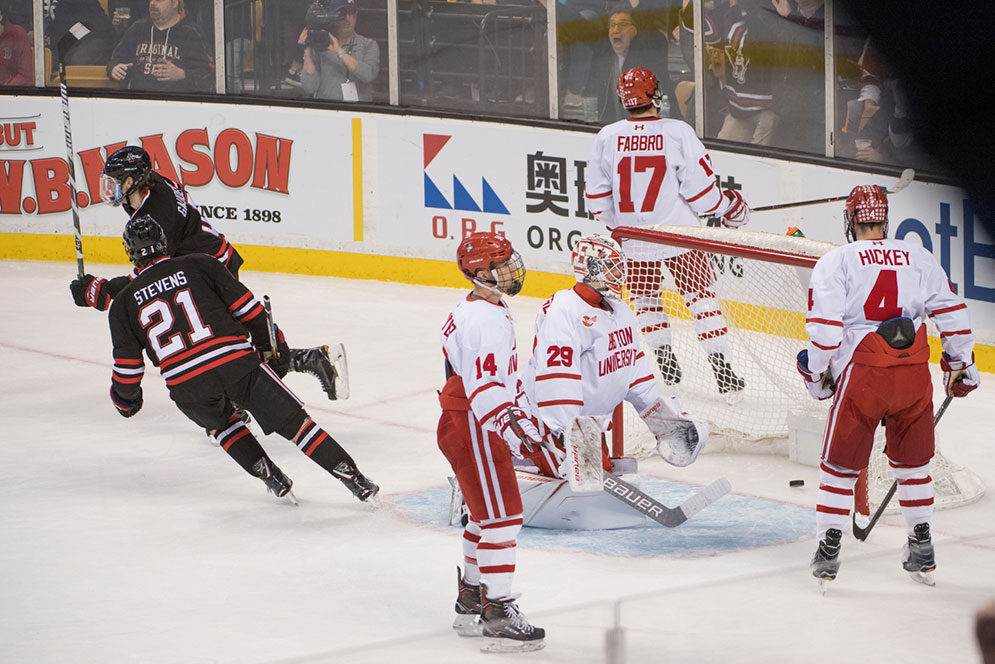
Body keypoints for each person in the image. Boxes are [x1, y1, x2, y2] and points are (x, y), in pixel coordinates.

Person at [106, 215, 379, 502]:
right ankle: (356, 481)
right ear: (163, 242)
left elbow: (127, 370)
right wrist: (271, 349)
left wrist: (125, 400)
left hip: (187, 385)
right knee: (298, 427)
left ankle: (271, 476)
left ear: (130, 252)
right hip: (236, 363)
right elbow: (249, 311)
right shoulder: (200, 264)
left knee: (223, 425)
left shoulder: (123, 302)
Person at [799, 184, 980, 587]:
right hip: (913, 373)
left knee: (840, 465)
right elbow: (951, 312)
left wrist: (815, 375)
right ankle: (922, 545)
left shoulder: (837, 260)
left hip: (865, 375)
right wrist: (962, 365)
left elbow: (826, 335)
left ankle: (828, 550)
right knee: (914, 465)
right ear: (885, 221)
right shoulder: (918, 254)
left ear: (850, 221)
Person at [69, 146, 347, 401]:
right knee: (230, 338)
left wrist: (98, 292)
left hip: (207, 271)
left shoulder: (155, 215)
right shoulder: (151, 189)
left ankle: (269, 385)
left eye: (118, 181)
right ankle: (310, 360)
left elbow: (143, 285)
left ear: (134, 181)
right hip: (207, 263)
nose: (111, 188)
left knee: (221, 343)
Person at [584, 66, 751, 395]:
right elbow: (703, 197)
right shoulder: (677, 132)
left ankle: (665, 362)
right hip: (680, 238)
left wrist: (623, 226)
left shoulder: (608, 135)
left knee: (646, 302)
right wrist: (732, 207)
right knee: (701, 299)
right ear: (655, 94)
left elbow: (597, 200)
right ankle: (723, 371)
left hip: (633, 240)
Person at [523, 234, 709, 480]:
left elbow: (635, 371)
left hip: (590, 426)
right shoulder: (563, 311)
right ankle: (515, 465)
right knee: (589, 484)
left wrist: (665, 422)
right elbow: (557, 380)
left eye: (620, 267)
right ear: (589, 270)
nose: (620, 275)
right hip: (554, 428)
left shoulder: (620, 311)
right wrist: (570, 436)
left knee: (600, 481)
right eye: (611, 268)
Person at [437, 232, 545, 652]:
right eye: (501, 263)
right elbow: (485, 388)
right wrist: (518, 432)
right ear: (480, 272)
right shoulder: (484, 320)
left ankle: (470, 598)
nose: (511, 269)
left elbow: (498, 380)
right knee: (503, 520)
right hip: (475, 423)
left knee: (483, 518)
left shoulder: (482, 308)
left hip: (466, 420)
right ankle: (497, 611)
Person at [586, 2, 671, 125]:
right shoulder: (605, 57)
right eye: (612, 25)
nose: (616, 30)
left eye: (623, 24)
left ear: (635, 29)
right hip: (613, 129)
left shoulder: (646, 56)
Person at [106, 0, 214, 93]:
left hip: (176, 103)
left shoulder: (191, 33)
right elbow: (116, 59)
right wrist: (114, 68)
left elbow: (209, 74)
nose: (153, 4)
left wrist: (182, 74)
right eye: (151, 0)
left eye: (159, 0)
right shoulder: (137, 28)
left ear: (174, 3)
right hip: (139, 99)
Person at [298, 0, 379, 102]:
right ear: (333, 17)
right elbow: (309, 87)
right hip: (327, 111)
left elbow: (368, 75)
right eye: (341, 14)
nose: (347, 19)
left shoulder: (369, 44)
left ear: (356, 16)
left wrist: (338, 51)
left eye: (351, 13)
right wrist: (307, 48)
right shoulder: (321, 43)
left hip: (358, 112)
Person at [0, 2, 32, 86]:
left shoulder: (17, 34)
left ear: (1, 15)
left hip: (10, 95)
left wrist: (5, 89)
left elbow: (26, 77)